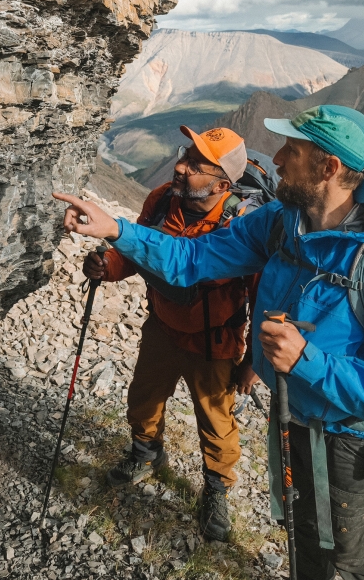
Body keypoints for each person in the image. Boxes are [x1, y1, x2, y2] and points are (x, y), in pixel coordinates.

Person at [55, 105, 364, 580]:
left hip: (348, 440)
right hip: (292, 415)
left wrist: (305, 360)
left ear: (328, 168)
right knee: (300, 533)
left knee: (351, 557)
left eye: (291, 151)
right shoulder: (281, 222)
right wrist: (116, 230)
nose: (275, 158)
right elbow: (194, 258)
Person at [85, 125, 261, 542]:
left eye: (196, 164)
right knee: (144, 396)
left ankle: (216, 490)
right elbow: (136, 248)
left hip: (215, 342)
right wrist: (106, 267)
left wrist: (253, 361)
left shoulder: (244, 225)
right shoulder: (163, 199)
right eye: (186, 155)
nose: (181, 166)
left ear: (222, 183)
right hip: (163, 326)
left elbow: (263, 297)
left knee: (217, 423)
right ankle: (146, 454)